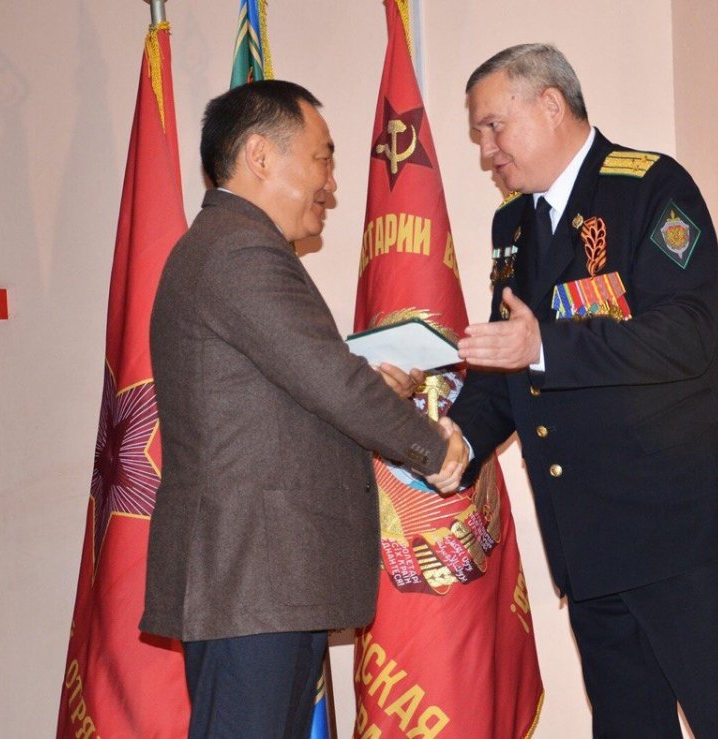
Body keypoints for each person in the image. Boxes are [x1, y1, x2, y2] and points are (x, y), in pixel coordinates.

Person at [448, 44, 718, 738]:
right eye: (479, 134)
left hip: (687, 536)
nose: (486, 152)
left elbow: (686, 336)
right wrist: (452, 439)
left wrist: (544, 346)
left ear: (551, 104)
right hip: (590, 546)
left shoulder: (650, 187)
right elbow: (507, 365)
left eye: (493, 127)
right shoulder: (511, 225)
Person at [140, 80, 466, 737]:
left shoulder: (229, 245)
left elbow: (296, 387)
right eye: (322, 159)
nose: (332, 184)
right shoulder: (239, 250)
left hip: (261, 580)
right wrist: (434, 448)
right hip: (250, 578)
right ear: (261, 156)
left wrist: (371, 389)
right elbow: (331, 381)